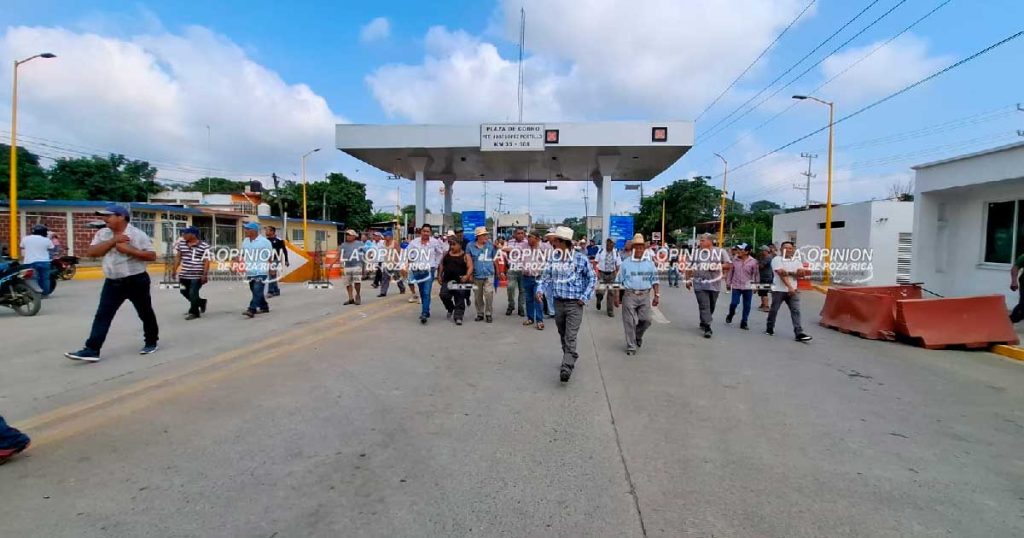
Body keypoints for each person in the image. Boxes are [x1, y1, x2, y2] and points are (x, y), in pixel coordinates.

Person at [65, 205, 159, 362]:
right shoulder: (103, 233)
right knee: (103, 315)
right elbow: (92, 252)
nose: (104, 219)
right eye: (103, 216)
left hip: (136, 280)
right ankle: (92, 350)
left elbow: (151, 256)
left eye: (108, 216)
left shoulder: (137, 234)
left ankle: (151, 341)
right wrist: (113, 241)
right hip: (113, 282)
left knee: (145, 312)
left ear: (121, 216)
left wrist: (130, 250)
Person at [537, 226, 596, 383]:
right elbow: (545, 276)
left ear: (563, 242)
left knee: (571, 335)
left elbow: (592, 278)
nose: (553, 243)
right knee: (562, 332)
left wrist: (585, 296)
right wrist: (540, 289)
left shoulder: (581, 259)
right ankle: (569, 355)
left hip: (575, 304)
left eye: (555, 240)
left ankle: (567, 366)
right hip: (558, 302)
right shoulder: (553, 258)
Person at [613, 233, 660, 355]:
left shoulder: (649, 264)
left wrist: (657, 295)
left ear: (644, 249)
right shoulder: (626, 263)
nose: (639, 249)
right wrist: (617, 296)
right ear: (633, 248)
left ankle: (637, 335)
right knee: (629, 322)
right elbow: (618, 280)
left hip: (644, 295)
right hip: (629, 295)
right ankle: (631, 346)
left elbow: (655, 280)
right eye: (636, 247)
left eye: (641, 247)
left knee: (647, 320)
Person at [685, 233, 732, 339]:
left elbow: (728, 265)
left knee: (711, 305)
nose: (700, 242)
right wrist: (687, 280)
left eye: (702, 240)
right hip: (699, 284)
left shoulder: (721, 252)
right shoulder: (696, 253)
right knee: (704, 305)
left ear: (710, 241)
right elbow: (688, 266)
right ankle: (708, 328)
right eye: (700, 240)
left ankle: (704, 320)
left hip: (714, 284)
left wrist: (717, 266)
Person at [766, 241, 812, 342]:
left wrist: (793, 273)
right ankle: (770, 326)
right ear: (781, 249)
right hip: (779, 289)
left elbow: (801, 274)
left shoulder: (797, 261)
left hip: (793, 290)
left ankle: (799, 333)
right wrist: (790, 285)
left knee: (796, 311)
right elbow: (782, 274)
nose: (788, 250)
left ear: (793, 250)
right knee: (774, 309)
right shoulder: (777, 260)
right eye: (785, 248)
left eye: (790, 248)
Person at [406, 224, 445, 324]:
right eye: (424, 231)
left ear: (430, 233)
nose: (426, 233)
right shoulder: (414, 242)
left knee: (427, 291)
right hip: (417, 270)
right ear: (421, 232)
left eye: (428, 231)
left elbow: (440, 253)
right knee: (422, 291)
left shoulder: (435, 242)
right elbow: (408, 253)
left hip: (429, 270)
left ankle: (424, 313)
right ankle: (426, 310)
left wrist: (436, 264)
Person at [172, 226, 210, 320]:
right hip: (184, 274)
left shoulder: (204, 246)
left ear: (193, 235)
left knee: (193, 293)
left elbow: (206, 261)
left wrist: (205, 275)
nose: (183, 235)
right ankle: (200, 302)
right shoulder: (181, 244)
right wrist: (174, 270)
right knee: (183, 291)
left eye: (185, 233)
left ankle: (194, 312)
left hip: (197, 275)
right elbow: (178, 257)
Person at [437, 235, 473, 325]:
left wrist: (467, 276)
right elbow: (441, 265)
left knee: (460, 297)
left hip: (460, 281)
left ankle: (458, 316)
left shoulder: (466, 256)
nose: (452, 247)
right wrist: (439, 275)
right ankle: (450, 308)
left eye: (454, 245)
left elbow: (470, 266)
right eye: (451, 245)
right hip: (447, 280)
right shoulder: (446, 254)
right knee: (443, 295)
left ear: (460, 245)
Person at [240, 222, 272, 318]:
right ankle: (264, 306)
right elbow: (242, 254)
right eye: (245, 229)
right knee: (255, 290)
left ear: (254, 230)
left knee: (257, 289)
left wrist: (272, 268)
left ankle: (251, 309)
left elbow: (270, 256)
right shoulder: (245, 241)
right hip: (250, 271)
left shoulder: (265, 242)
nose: (245, 231)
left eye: (247, 229)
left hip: (261, 271)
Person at [467, 226, 498, 323]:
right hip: (477, 275)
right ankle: (480, 313)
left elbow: (494, 259)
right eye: (484, 235)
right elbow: (469, 261)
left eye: (486, 235)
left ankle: (488, 313)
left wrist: (498, 272)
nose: (486, 237)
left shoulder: (490, 245)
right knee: (478, 296)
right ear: (478, 236)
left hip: (489, 274)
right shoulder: (470, 246)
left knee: (489, 294)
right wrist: (470, 275)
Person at [725, 243, 758, 330]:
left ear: (747, 252)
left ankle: (744, 321)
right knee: (734, 303)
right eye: (738, 250)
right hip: (736, 286)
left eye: (741, 250)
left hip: (748, 286)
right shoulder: (734, 260)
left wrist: (756, 285)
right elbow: (730, 272)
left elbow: (756, 274)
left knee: (747, 305)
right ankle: (731, 314)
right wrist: (728, 283)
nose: (738, 252)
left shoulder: (753, 262)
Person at [520, 230, 547, 330]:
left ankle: (539, 320)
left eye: (530, 237)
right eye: (528, 237)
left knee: (538, 298)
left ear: (537, 238)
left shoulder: (543, 248)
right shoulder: (524, 247)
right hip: (526, 277)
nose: (528, 239)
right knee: (528, 299)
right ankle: (530, 318)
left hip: (538, 278)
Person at [20, 224, 54, 297]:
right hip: (44, 262)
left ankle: (34, 294)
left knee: (32, 279)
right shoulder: (46, 240)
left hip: (29, 262)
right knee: (45, 279)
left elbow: (21, 247)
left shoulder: (25, 238)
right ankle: (45, 294)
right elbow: (51, 248)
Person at [503, 227, 528, 316]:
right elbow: (504, 250)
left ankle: (521, 308)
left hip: (523, 268)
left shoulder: (527, 243)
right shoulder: (510, 242)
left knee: (522, 290)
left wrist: (511, 250)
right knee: (510, 287)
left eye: (522, 233)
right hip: (512, 268)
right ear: (514, 234)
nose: (521, 235)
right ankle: (511, 305)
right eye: (518, 233)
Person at [594, 237, 621, 317]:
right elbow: (595, 262)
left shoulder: (616, 252)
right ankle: (599, 299)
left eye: (611, 243)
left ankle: (610, 311)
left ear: (613, 245)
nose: (609, 244)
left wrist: (617, 274)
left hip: (612, 274)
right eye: (608, 242)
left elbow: (618, 265)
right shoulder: (601, 251)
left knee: (611, 293)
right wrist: (597, 272)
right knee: (600, 291)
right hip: (602, 273)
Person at [340, 229, 364, 305]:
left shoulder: (360, 244)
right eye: (347, 235)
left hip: (357, 265)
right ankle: (350, 298)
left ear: (354, 236)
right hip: (347, 266)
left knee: (357, 281)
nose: (348, 236)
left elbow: (366, 253)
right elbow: (339, 254)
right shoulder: (343, 245)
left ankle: (358, 295)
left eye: (350, 235)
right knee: (348, 283)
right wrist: (333, 263)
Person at [378, 231, 406, 297]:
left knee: (397, 277)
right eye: (384, 236)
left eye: (386, 236)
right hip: (386, 262)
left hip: (394, 263)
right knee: (385, 277)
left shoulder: (394, 242)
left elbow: (399, 252)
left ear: (390, 236)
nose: (384, 237)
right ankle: (383, 292)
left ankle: (402, 288)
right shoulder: (383, 242)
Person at [264, 226, 289, 297]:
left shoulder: (279, 240)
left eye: (267, 230)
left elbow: (284, 250)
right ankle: (276, 290)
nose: (266, 232)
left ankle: (270, 291)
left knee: (271, 274)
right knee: (273, 275)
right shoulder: (266, 240)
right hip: (269, 259)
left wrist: (286, 260)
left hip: (276, 259)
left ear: (272, 232)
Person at [757, 245, 775, 312]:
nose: (760, 252)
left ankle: (766, 306)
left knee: (764, 292)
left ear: (765, 251)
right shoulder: (765, 257)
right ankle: (763, 304)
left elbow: (761, 266)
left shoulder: (767, 258)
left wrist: (757, 262)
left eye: (762, 250)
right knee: (761, 291)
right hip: (762, 276)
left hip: (766, 277)